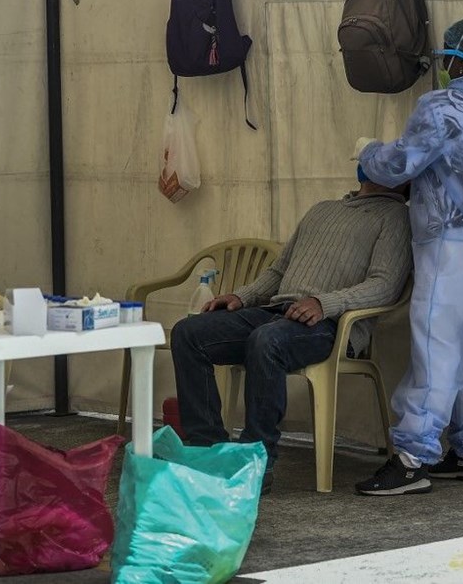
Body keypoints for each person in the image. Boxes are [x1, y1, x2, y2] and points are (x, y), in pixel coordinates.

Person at [352, 18, 463, 496]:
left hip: (454, 247)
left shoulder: (442, 106)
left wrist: (368, 155)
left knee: (438, 349)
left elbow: (402, 163)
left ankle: (412, 459)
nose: (441, 65)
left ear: (459, 62)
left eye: (445, 57)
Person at [171, 171, 413, 493]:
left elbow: (385, 286)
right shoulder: (322, 209)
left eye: (388, 163)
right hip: (276, 311)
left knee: (267, 341)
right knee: (189, 333)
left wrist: (323, 303)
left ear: (405, 178)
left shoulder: (397, 216)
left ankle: (257, 459)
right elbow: (279, 271)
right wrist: (241, 296)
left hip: (331, 326)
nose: (375, 166)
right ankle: (208, 450)